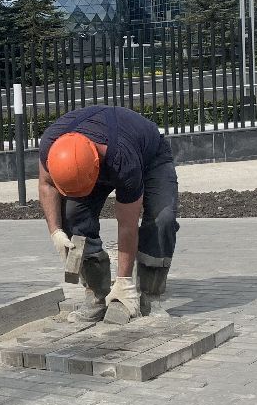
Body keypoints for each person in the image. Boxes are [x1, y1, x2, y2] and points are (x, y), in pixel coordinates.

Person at [37, 105, 179, 323]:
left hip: (150, 156)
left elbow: (127, 225)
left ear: (95, 167)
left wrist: (124, 282)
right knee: (73, 216)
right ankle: (95, 295)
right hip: (99, 155)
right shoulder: (51, 145)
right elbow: (47, 185)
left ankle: (150, 296)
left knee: (163, 219)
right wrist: (55, 231)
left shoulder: (123, 159)